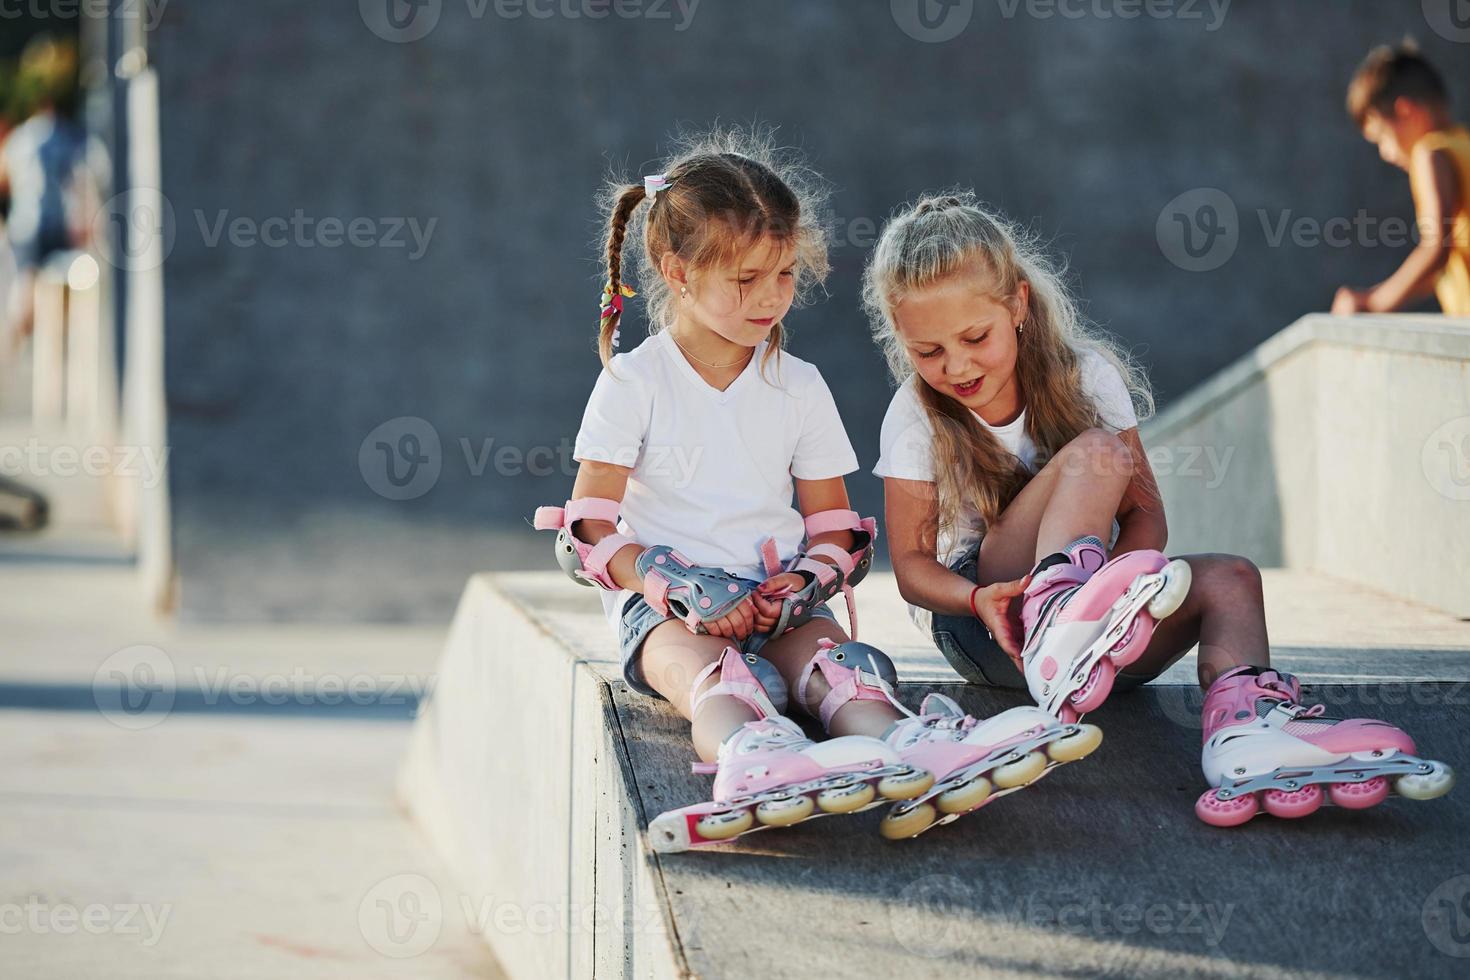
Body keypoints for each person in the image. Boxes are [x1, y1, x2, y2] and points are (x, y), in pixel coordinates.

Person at [534, 132, 1099, 852]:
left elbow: (834, 524)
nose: (771, 297)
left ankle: (917, 751)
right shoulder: (633, 383)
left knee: (846, 672)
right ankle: (751, 760)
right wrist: (671, 582)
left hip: (777, 600)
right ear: (677, 272)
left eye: (784, 275)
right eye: (746, 280)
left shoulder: (798, 386)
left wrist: (806, 580)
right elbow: (587, 529)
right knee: (716, 679)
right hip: (669, 613)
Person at [866, 191, 1454, 825]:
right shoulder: (915, 416)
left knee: (1232, 578)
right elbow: (912, 567)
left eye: (974, 337)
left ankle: (1246, 736)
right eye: (928, 352)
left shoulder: (1084, 375)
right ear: (903, 341)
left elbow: (1148, 520)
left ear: (1017, 305)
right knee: (1096, 453)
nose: (955, 365)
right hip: (990, 623)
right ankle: (1057, 619)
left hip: (1099, 647)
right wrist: (977, 599)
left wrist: (1117, 603)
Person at [1333, 42, 1469, 317]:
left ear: (1406, 111)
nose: (1385, 153)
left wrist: (1372, 302)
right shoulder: (1462, 143)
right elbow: (1442, 267)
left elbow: (1436, 248)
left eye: (1381, 138)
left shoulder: (1429, 154)